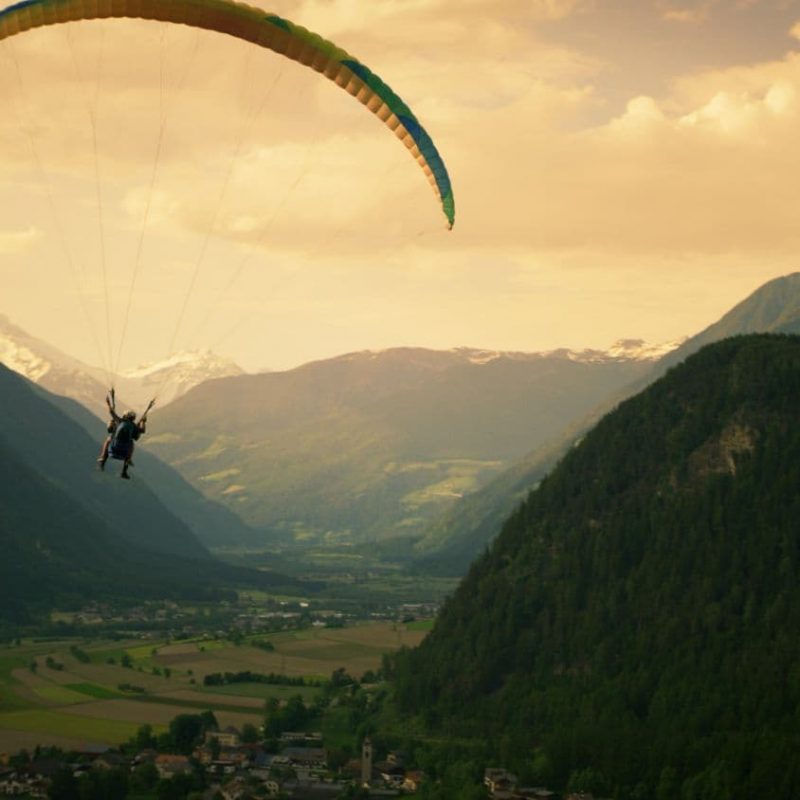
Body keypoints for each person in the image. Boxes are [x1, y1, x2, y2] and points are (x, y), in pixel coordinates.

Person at [97, 390, 153, 479]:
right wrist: (143, 421)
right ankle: (125, 468)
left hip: (113, 448)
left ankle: (103, 457)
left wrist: (108, 403)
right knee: (131, 443)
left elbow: (111, 412)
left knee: (109, 439)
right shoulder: (134, 427)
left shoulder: (119, 421)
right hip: (124, 451)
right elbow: (142, 431)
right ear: (133, 418)